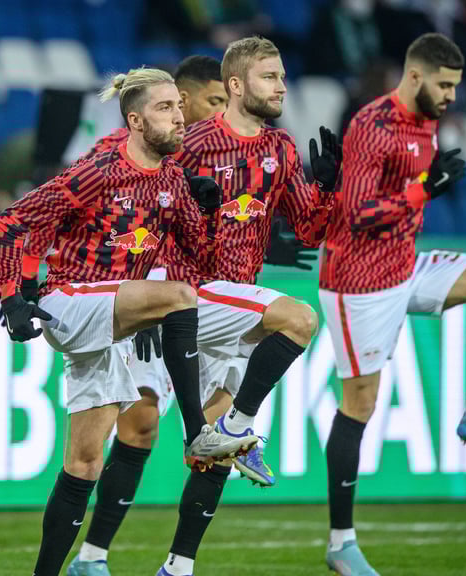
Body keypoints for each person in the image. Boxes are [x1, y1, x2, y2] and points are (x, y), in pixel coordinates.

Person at [58, 54, 315, 576]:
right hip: (170, 299)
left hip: (225, 301)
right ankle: (93, 556)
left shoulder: (248, 149)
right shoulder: (165, 151)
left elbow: (234, 219)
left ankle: (178, 566)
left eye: (224, 101)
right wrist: (149, 298)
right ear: (189, 95)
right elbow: (130, 218)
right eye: (213, 100)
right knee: (142, 427)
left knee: (214, 447)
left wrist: (273, 243)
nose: (216, 110)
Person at [0, 67, 258, 576]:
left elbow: (203, 260)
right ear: (135, 120)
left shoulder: (172, 180)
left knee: (86, 462)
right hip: (71, 300)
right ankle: (198, 432)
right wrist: (14, 294)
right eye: (166, 109)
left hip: (111, 318)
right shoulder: (100, 169)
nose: (180, 117)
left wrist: (213, 213)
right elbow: (16, 219)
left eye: (179, 108)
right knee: (179, 297)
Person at [318, 32, 466, 576]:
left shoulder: (426, 119)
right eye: (444, 85)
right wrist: (424, 190)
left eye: (455, 86)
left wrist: (422, 188)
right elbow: (359, 211)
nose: (451, 96)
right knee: (360, 406)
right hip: (357, 280)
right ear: (414, 77)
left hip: (403, 262)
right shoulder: (372, 125)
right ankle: (341, 543)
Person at [152, 36, 342, 576]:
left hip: (238, 304)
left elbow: (308, 228)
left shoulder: (280, 148)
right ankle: (240, 423)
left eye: (282, 76)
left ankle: (177, 566)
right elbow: (150, 209)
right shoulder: (192, 143)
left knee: (211, 457)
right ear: (235, 86)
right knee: (300, 317)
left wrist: (329, 186)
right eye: (269, 77)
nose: (282, 85)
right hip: (193, 295)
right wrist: (149, 289)